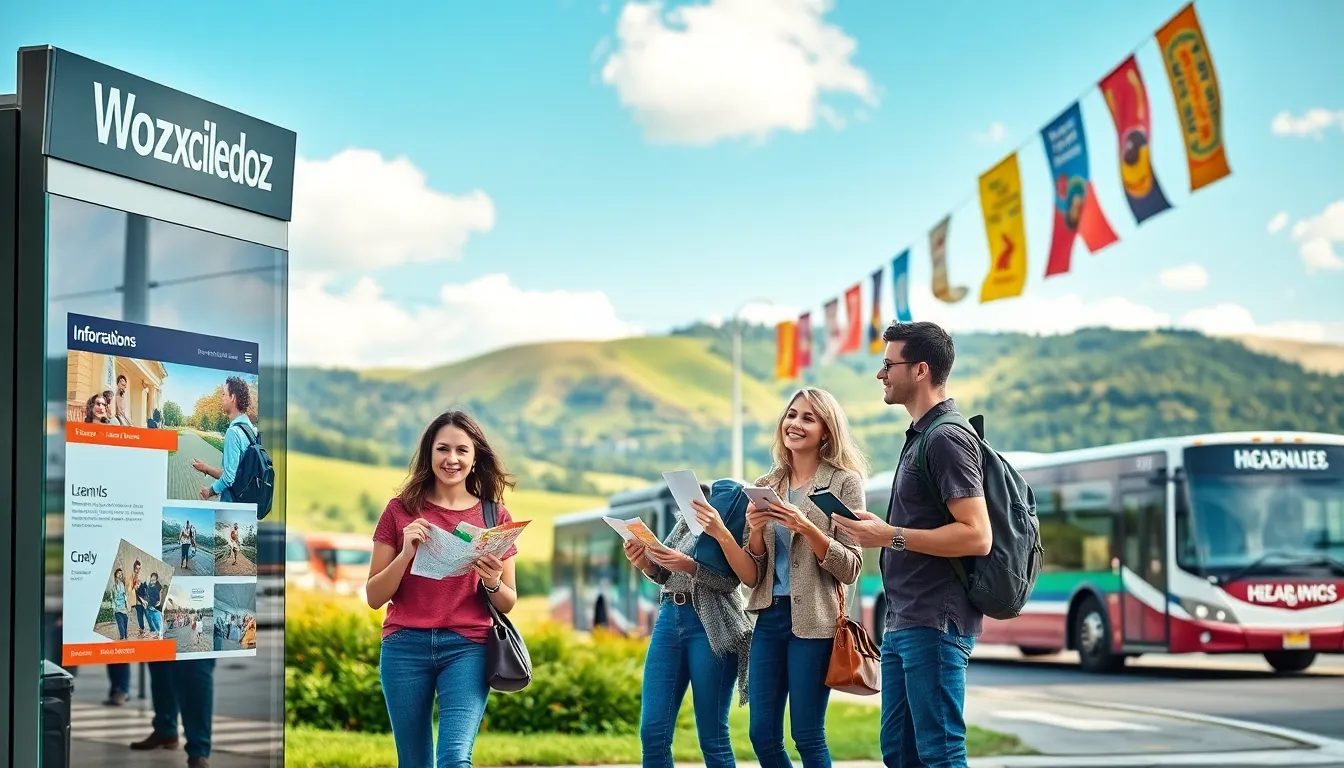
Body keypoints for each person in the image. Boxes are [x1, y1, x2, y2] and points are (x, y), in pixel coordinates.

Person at [832, 320, 993, 768]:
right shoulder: (923, 435)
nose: (880, 374)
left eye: (889, 365)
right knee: (900, 754)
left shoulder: (946, 438)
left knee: (940, 752)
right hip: (905, 620)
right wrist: (881, 529)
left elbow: (977, 535)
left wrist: (889, 535)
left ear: (920, 370)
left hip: (935, 621)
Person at [714, 387, 868, 768]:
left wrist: (807, 528)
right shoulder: (767, 484)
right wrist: (754, 531)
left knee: (807, 734)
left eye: (808, 418)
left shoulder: (844, 482)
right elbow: (754, 575)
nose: (795, 424)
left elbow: (851, 565)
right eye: (792, 415)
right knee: (762, 735)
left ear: (826, 431)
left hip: (815, 624)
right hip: (769, 620)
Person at [365, 409, 521, 768]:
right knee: (414, 762)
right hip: (404, 646)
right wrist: (405, 554)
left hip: (468, 647)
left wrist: (492, 581)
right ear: (429, 453)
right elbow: (374, 597)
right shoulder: (400, 511)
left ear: (475, 457)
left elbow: (508, 601)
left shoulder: (495, 517)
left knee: (454, 758)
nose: (452, 459)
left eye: (462, 450)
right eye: (443, 449)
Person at [623, 482, 752, 768]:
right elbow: (664, 573)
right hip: (669, 619)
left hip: (713, 624)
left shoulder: (733, 521)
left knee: (712, 737)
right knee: (652, 733)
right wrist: (646, 564)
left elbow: (733, 581)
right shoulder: (684, 522)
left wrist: (690, 566)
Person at [192, 376, 256, 502]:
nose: (221, 398)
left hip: (232, 503)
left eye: (224, 394)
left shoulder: (233, 433)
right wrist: (205, 468)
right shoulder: (251, 429)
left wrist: (209, 492)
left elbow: (228, 479)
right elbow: (233, 473)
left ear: (232, 397)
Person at [104, 567, 131, 706]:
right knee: (119, 638)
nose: (120, 575)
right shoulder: (114, 587)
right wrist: (114, 609)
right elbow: (113, 598)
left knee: (124, 632)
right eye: (118, 574)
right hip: (117, 610)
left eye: (121, 574)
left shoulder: (123, 586)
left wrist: (127, 607)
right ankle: (118, 689)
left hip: (124, 610)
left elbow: (126, 597)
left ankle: (121, 689)